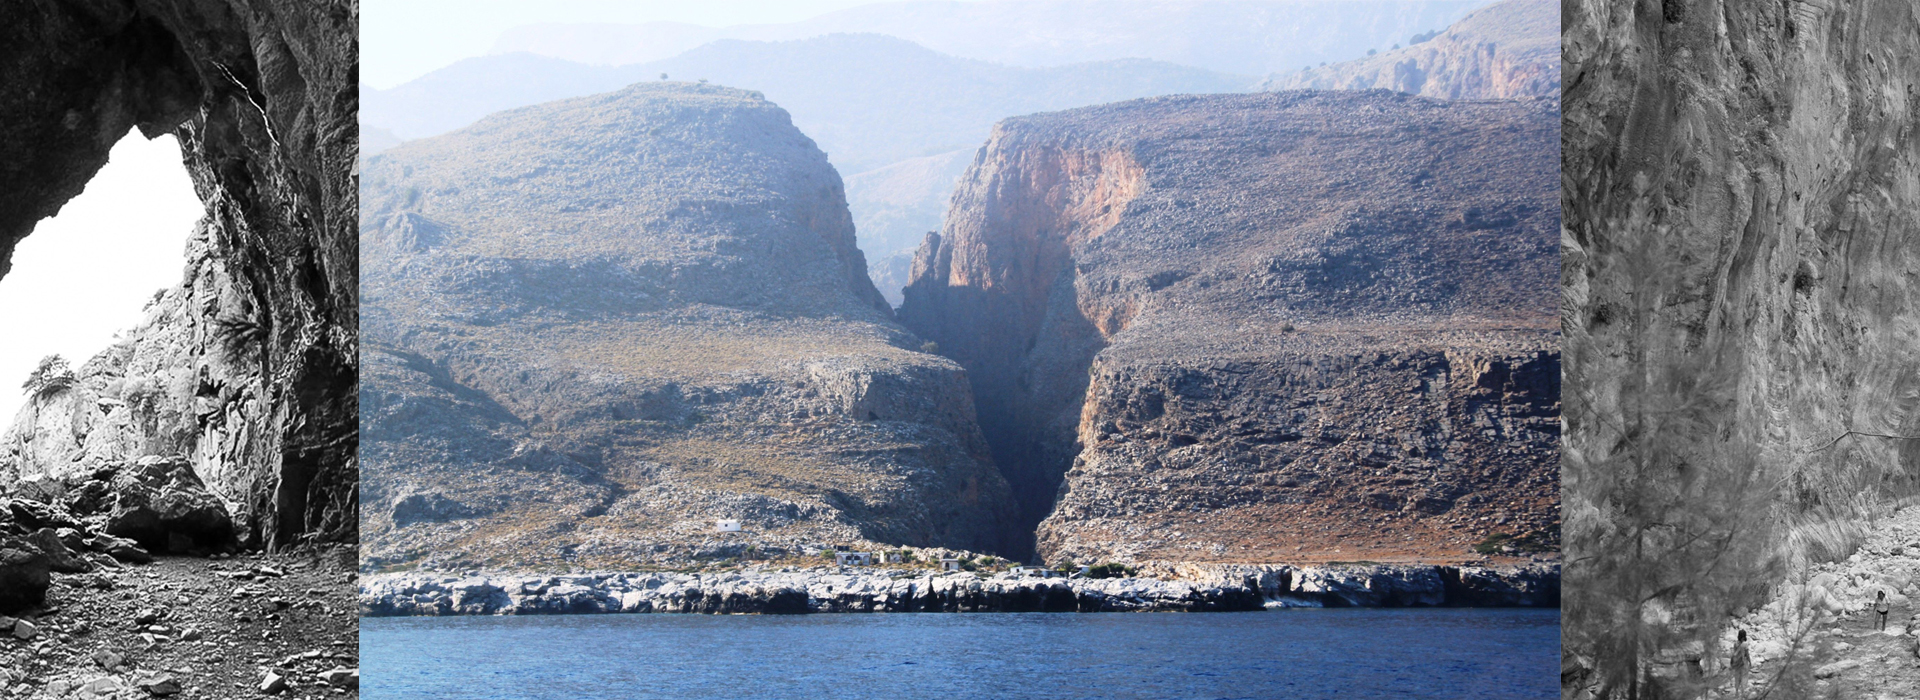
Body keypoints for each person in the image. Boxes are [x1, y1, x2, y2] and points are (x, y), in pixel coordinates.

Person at [1729, 629, 1750, 700]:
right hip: (1743, 663)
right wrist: (1750, 662)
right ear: (1744, 636)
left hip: (1737, 663)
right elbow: (1747, 654)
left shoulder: (1735, 644)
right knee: (1744, 677)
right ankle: (1743, 694)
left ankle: (1736, 692)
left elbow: (1734, 653)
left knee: (1737, 677)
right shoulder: (1745, 644)